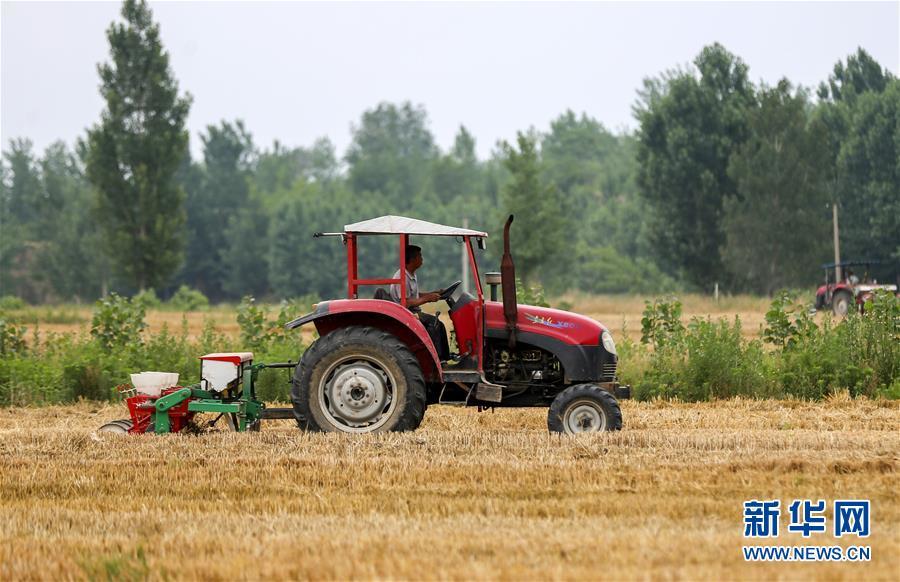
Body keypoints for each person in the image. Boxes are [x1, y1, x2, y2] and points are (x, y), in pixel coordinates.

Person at [390, 245, 451, 361]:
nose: (422, 259)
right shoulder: (401, 277)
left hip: (413, 311)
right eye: (420, 256)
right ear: (413, 259)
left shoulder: (411, 274)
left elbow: (415, 295)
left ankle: (445, 358)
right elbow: (406, 302)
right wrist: (428, 299)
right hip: (406, 313)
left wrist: (434, 293)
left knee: (438, 324)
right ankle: (437, 359)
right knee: (435, 324)